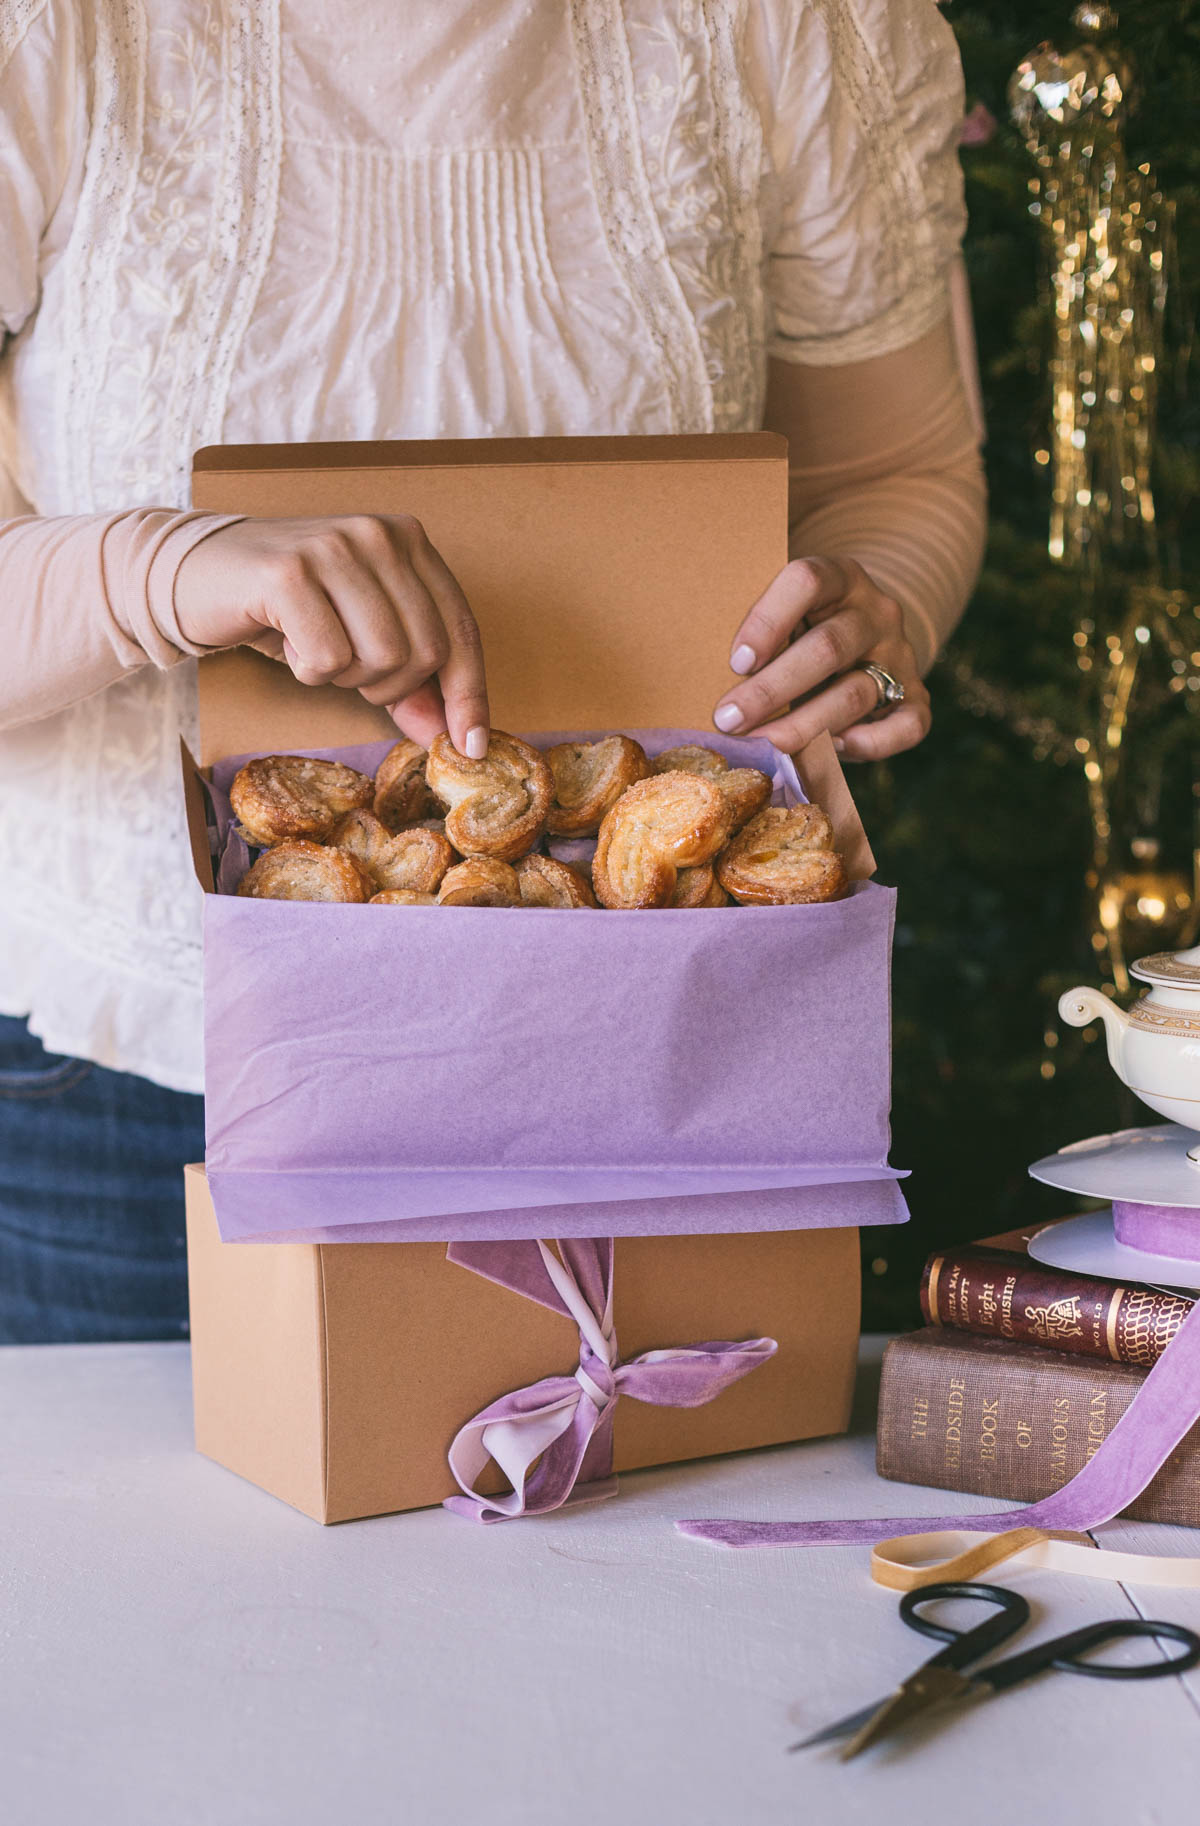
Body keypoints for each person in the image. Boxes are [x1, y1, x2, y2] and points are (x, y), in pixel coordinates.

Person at [0, 0, 986, 1342]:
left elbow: (897, 474)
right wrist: (155, 574)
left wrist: (881, 621)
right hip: (124, 1099)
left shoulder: (789, 22)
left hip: (671, 1064)